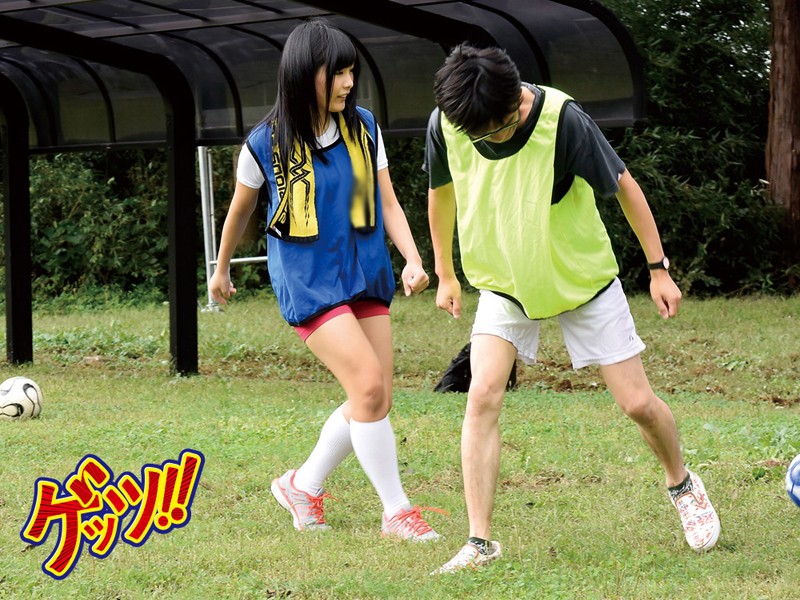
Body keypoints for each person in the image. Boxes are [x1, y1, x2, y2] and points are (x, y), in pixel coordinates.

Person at [424, 44, 720, 573]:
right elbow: (440, 192)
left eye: (495, 128)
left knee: (637, 403)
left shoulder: (562, 121)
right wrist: (445, 272)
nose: (487, 138)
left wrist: (658, 268)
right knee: (483, 395)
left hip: (579, 278)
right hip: (506, 280)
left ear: (514, 102)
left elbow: (625, 186)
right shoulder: (452, 121)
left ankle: (682, 484)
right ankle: (480, 542)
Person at [209, 19, 440, 541]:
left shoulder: (363, 127)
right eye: (337, 73)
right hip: (309, 280)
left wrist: (411, 258)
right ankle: (396, 511)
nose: (348, 83)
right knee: (368, 386)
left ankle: (302, 485)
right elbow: (240, 211)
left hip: (364, 270)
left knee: (374, 398)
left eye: (351, 72)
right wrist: (220, 269)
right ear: (303, 74)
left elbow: (384, 201)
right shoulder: (264, 143)